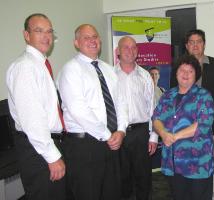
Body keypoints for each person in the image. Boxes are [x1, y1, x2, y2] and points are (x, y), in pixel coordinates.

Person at [57, 24, 128, 200]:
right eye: (86, 37)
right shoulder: (70, 70)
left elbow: (121, 103)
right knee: (88, 194)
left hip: (111, 143)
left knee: (112, 193)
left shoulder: (109, 69)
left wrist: (121, 130)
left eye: (94, 36)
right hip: (84, 147)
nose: (92, 40)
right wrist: (107, 135)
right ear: (76, 43)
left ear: (100, 40)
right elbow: (78, 110)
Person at [6, 13, 66, 200]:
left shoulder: (40, 64)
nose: (46, 36)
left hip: (46, 145)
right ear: (26, 35)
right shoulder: (25, 67)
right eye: (39, 31)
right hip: (38, 149)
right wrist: (53, 157)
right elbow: (32, 119)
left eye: (49, 31)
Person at [171, 29, 214, 200]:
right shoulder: (178, 66)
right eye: (191, 42)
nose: (195, 45)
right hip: (185, 129)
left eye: (199, 41)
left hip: (212, 127)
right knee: (192, 165)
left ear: (204, 44)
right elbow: (173, 95)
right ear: (186, 45)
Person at [153, 54, 214, 200]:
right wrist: (163, 133)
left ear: (196, 75)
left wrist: (174, 136)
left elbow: (203, 124)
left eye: (190, 71)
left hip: (197, 162)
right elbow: (156, 118)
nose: (186, 74)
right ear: (176, 73)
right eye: (182, 70)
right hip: (173, 162)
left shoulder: (204, 96)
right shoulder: (167, 95)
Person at [115, 36, 158, 200]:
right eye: (125, 47)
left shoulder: (145, 76)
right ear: (118, 51)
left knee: (143, 179)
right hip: (118, 133)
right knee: (121, 179)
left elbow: (152, 108)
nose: (130, 50)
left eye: (133, 47)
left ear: (137, 51)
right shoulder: (110, 75)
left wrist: (153, 136)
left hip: (141, 133)